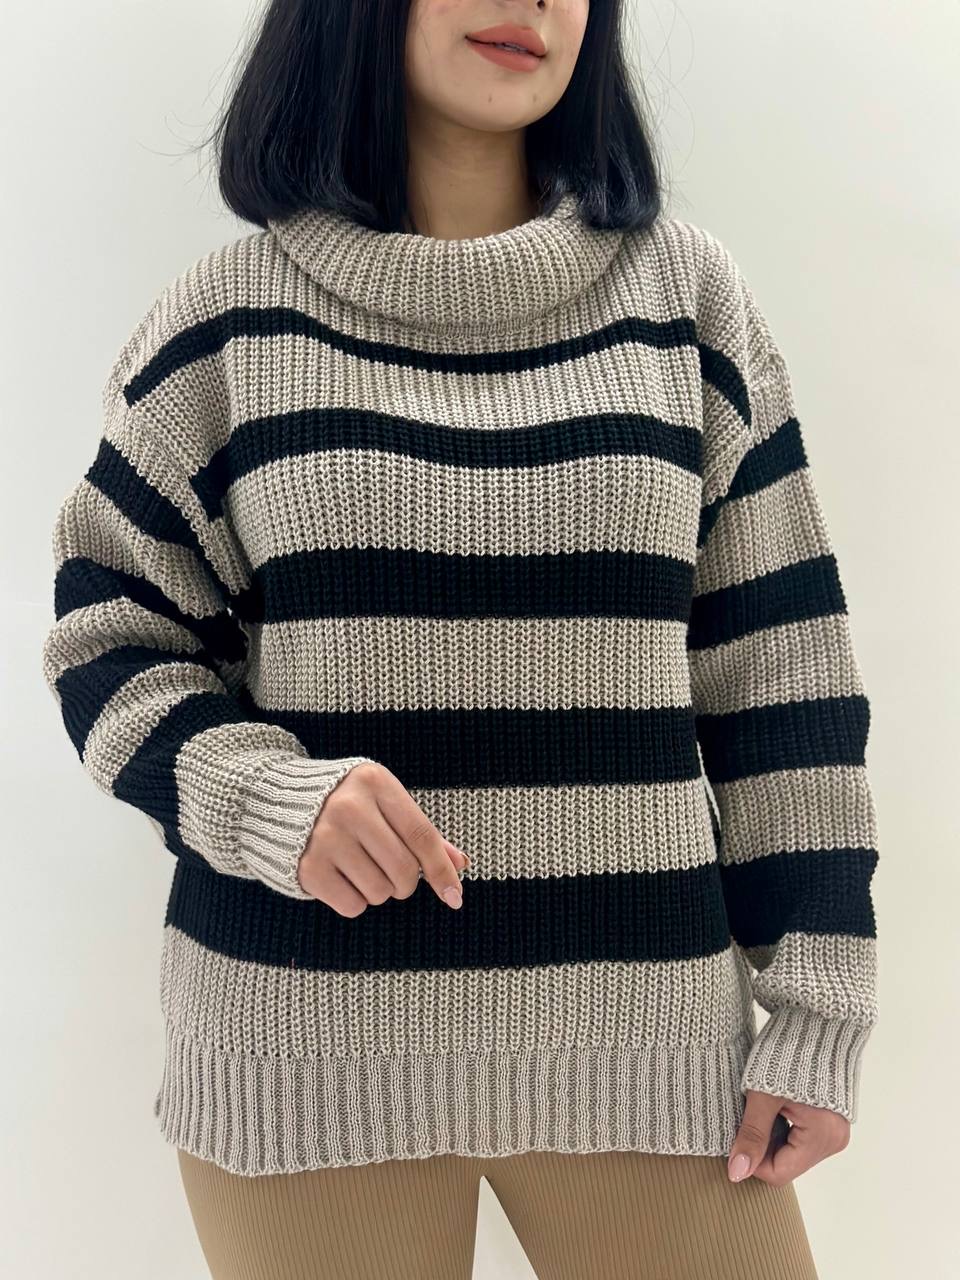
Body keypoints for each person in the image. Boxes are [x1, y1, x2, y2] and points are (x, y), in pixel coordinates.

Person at [41, 1, 880, 1276]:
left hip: (650, 1050)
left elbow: (784, 672)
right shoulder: (223, 326)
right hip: (302, 1059)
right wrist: (264, 796)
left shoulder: (688, 304)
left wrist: (818, 1003)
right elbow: (109, 631)